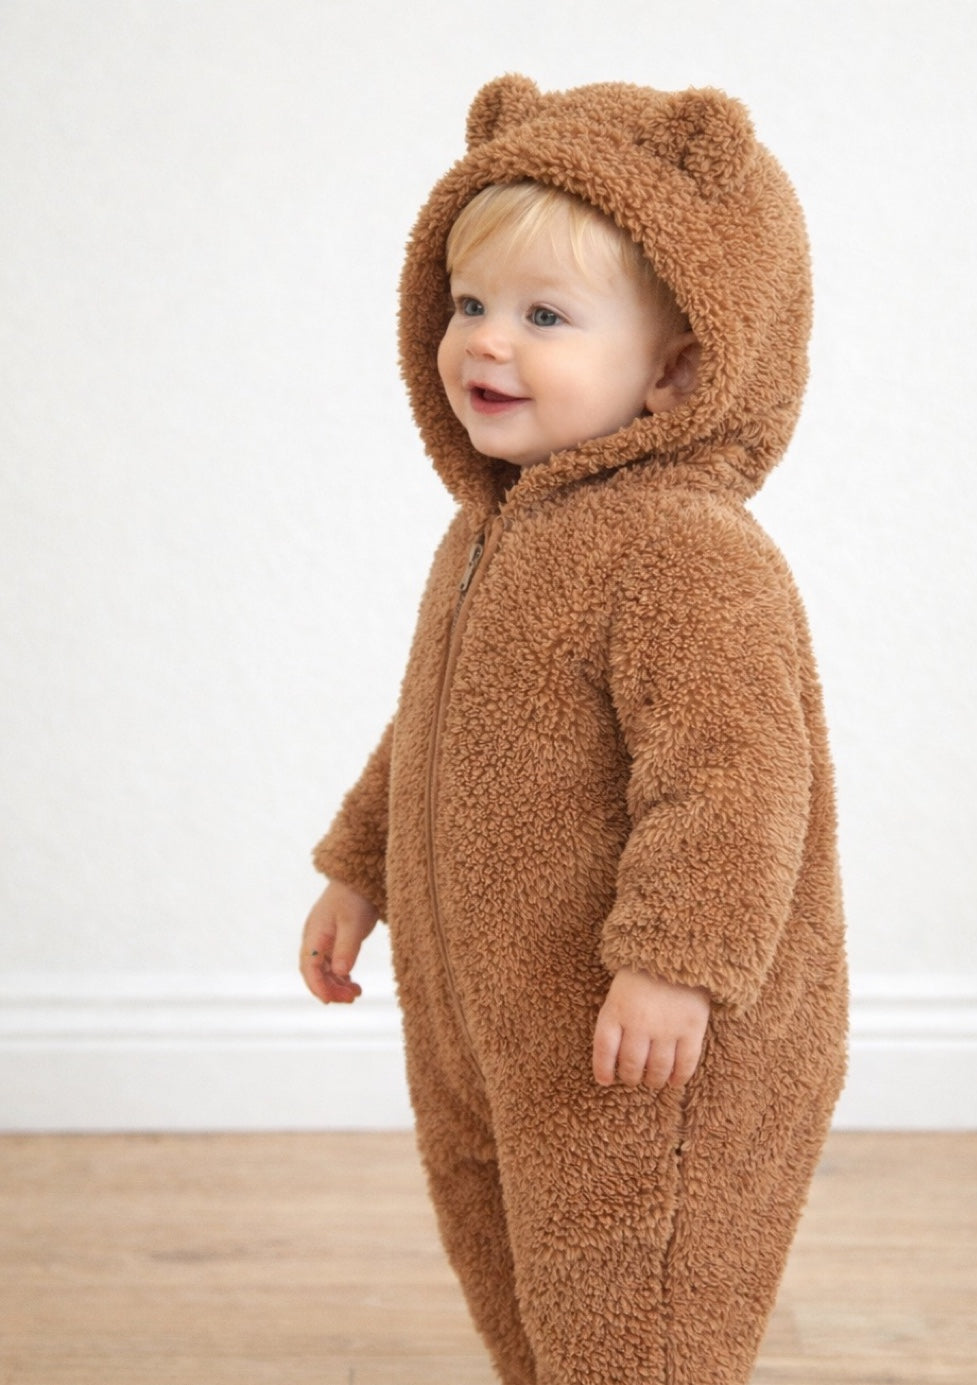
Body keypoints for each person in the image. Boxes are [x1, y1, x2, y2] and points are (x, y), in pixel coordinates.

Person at [300, 75, 848, 1385]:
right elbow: (439, 726)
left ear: (676, 369)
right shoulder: (494, 531)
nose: (486, 341)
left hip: (646, 1039)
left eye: (545, 315)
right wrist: (358, 868)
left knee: (636, 1307)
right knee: (520, 1285)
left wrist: (675, 959)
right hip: (494, 1023)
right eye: (472, 304)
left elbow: (733, 786)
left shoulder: (687, 554)